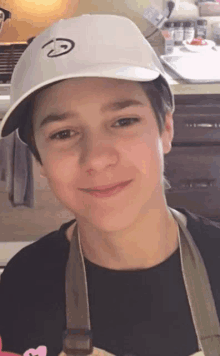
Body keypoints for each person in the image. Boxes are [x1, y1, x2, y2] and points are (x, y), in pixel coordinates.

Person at [0, 13, 220, 356]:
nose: (97, 158)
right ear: (40, 160)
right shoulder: (22, 283)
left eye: (123, 121)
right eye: (63, 133)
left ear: (165, 129)